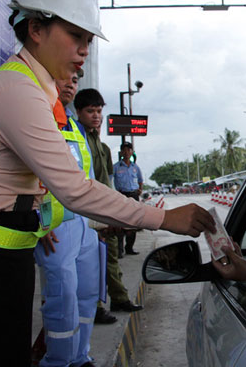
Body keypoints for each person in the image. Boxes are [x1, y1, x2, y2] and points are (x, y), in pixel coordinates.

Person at [0, 0, 214, 366]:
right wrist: (163, 217)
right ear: (36, 28)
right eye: (76, 36)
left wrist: (42, 220)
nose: (84, 50)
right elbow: (75, 188)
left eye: (88, 40)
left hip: (3, 247)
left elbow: (32, 183)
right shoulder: (18, 92)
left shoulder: (36, 90)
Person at [34, 70, 100, 367]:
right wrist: (39, 220)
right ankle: (58, 361)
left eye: (75, 80)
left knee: (87, 293)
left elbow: (88, 178)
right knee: (63, 297)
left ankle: (80, 355)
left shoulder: (74, 126)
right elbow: (27, 175)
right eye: (65, 78)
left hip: (83, 225)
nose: (71, 84)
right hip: (55, 226)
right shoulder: (37, 117)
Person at [74, 88, 143, 318]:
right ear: (78, 112)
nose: (96, 116)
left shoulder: (101, 146)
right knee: (91, 262)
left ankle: (119, 298)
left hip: (105, 207)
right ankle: (94, 307)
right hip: (86, 211)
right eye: (90, 111)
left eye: (99, 111)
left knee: (110, 255)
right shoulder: (77, 139)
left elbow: (107, 182)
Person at [113, 141, 144, 256]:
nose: (126, 153)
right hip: (121, 196)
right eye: (124, 150)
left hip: (134, 195)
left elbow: (140, 180)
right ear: (121, 152)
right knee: (120, 222)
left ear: (132, 153)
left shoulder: (135, 167)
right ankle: (120, 250)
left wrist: (140, 189)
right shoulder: (116, 167)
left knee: (133, 222)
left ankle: (129, 248)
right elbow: (111, 181)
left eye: (128, 150)